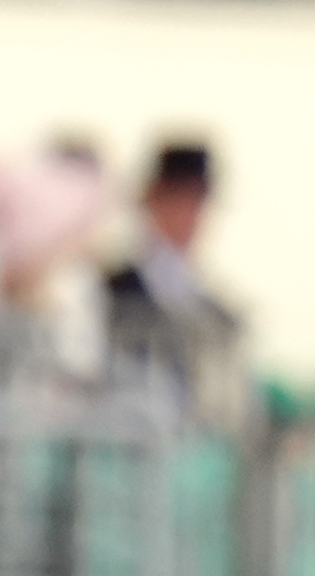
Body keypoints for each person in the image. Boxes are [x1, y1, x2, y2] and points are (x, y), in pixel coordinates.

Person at [98, 138, 240, 410]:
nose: (190, 215)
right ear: (155, 202)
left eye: (197, 203)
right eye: (179, 200)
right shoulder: (111, 288)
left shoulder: (211, 304)